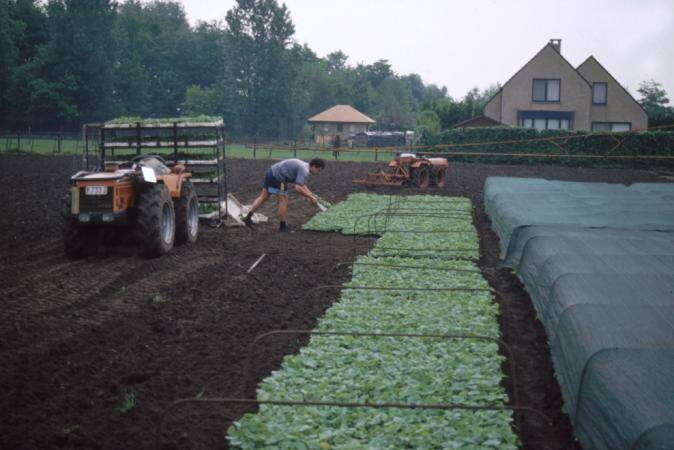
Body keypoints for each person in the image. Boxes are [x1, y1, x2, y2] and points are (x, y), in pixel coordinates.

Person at [243, 158, 325, 232]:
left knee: (264, 196)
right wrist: (310, 197)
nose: (318, 173)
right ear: (314, 166)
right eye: (318, 170)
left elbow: (302, 184)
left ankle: (248, 217)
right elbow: (297, 188)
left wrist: (311, 195)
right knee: (284, 200)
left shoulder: (304, 166)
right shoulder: (304, 170)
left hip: (271, 172)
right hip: (278, 178)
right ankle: (282, 227)